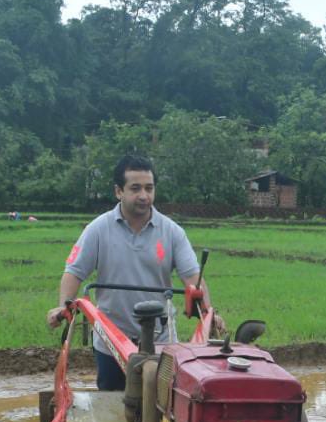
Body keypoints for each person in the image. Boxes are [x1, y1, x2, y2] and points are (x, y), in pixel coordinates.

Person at [46, 154, 218, 390]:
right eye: (135, 188)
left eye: (149, 188)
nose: (144, 196)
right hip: (112, 339)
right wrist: (62, 307)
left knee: (164, 407)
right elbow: (74, 272)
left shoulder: (172, 232)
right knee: (112, 405)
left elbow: (193, 278)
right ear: (119, 191)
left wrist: (208, 313)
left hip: (161, 339)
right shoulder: (98, 229)